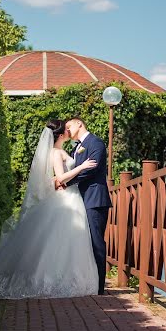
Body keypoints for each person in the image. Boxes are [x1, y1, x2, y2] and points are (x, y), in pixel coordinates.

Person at [0, 119, 100, 299]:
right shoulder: (56, 152)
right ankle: (56, 279)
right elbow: (61, 177)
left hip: (71, 196)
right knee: (64, 239)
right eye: (67, 129)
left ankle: (70, 277)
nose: (70, 132)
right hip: (67, 198)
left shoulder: (62, 150)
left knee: (69, 241)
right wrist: (82, 166)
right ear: (62, 134)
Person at [65, 116, 112, 295]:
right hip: (80, 199)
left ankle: (99, 287)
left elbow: (92, 168)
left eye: (69, 126)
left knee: (96, 242)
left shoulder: (96, 143)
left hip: (94, 199)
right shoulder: (75, 148)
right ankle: (87, 282)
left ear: (79, 123)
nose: (67, 131)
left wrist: (68, 183)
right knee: (84, 242)